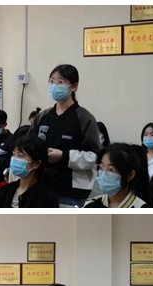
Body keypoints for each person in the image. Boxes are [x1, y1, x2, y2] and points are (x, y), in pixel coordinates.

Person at [28, 64, 100, 207]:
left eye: (60, 82)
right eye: (51, 81)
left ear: (74, 87)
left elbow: (94, 157)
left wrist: (64, 156)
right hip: (40, 184)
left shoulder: (84, 118)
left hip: (70, 190)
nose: (54, 86)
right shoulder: (43, 116)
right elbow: (29, 145)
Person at [0, 135, 60, 208]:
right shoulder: (4, 192)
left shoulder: (47, 198)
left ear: (36, 164)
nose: (14, 159)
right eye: (13, 154)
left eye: (20, 156)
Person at [84, 143, 150, 208]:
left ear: (130, 175)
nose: (103, 174)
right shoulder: (90, 205)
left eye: (111, 169)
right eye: (101, 167)